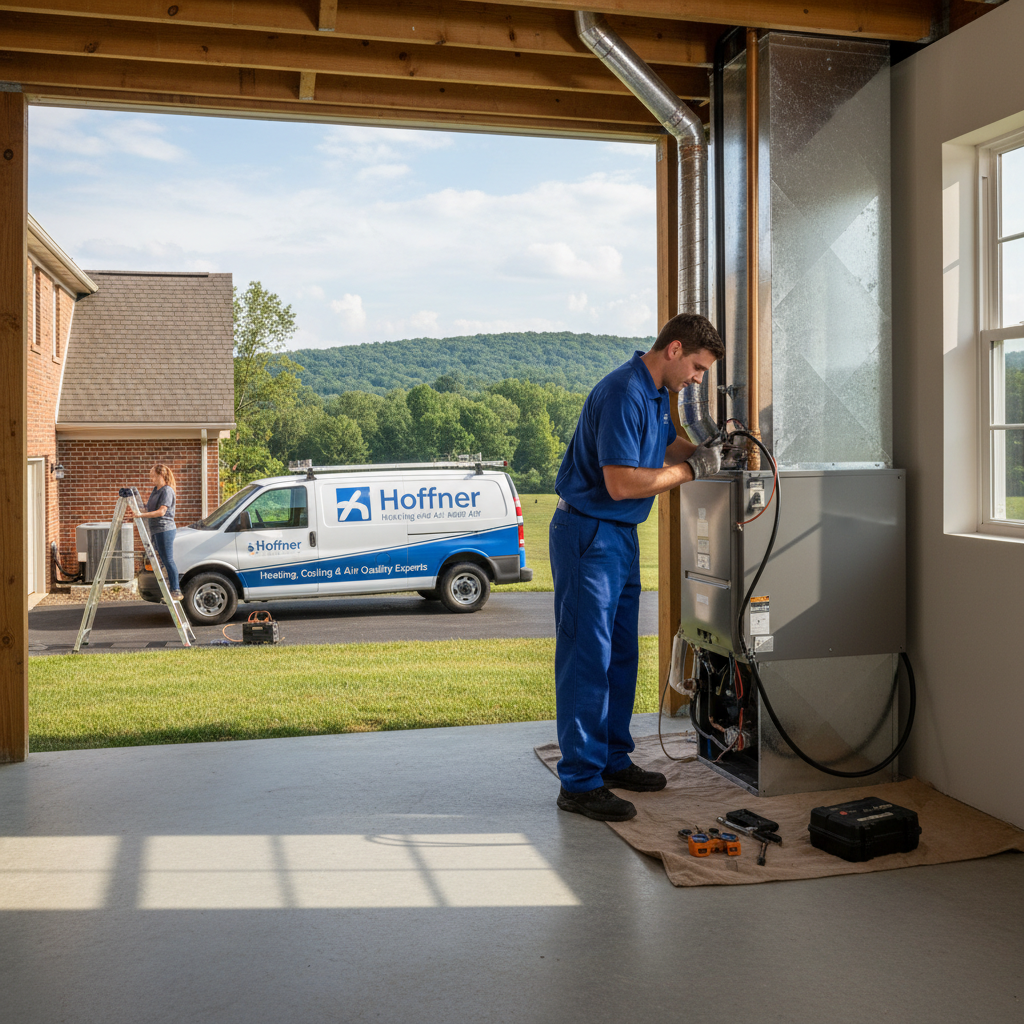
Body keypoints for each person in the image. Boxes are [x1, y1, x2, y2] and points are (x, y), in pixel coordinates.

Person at [549, 312, 726, 822]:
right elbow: (622, 482)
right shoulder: (624, 392)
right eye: (697, 367)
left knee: (621, 653)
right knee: (588, 656)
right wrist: (691, 471)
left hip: (619, 537)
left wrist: (708, 454)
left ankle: (611, 759)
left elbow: (664, 444)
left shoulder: (654, 394)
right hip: (588, 532)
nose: (697, 379)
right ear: (674, 349)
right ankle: (580, 782)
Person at [128, 463, 181, 601]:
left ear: (161, 475)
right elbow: (149, 509)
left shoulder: (167, 491)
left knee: (168, 560)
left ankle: (176, 590)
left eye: (153, 475)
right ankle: (169, 591)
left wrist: (141, 515)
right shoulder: (156, 490)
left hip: (165, 529)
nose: (151, 478)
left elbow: (161, 512)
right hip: (156, 529)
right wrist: (136, 513)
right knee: (162, 560)